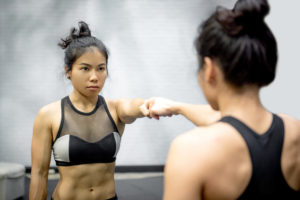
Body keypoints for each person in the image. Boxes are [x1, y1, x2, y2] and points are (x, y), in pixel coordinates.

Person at [145, 0, 300, 199]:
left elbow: (230, 128)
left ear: (209, 69)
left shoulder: (191, 150)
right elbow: (240, 128)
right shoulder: (295, 132)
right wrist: (177, 107)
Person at [29, 21, 150, 200]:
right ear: (68, 71)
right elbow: (39, 174)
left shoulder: (116, 109)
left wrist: (148, 106)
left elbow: (133, 107)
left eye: (101, 68)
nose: (94, 77)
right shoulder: (49, 115)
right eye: (85, 68)